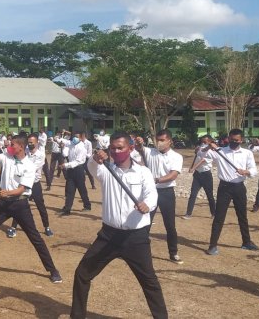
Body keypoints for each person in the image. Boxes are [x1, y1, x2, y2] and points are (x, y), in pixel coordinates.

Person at [71, 131, 168, 319]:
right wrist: (95, 157)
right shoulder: (105, 170)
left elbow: (151, 195)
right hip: (108, 236)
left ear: (130, 148)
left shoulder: (143, 172)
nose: (116, 151)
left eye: (120, 148)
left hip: (135, 238)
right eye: (113, 148)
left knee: (149, 282)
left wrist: (147, 205)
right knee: (82, 274)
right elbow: (91, 167)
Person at [0, 135, 62, 284]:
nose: (9, 146)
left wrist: (7, 192)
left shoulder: (29, 165)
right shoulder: (7, 155)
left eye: (12, 144)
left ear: (21, 146)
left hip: (20, 205)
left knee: (35, 239)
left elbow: (22, 189)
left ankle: (53, 270)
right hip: (3, 205)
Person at [203, 128, 259, 255]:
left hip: (239, 187)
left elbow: (254, 170)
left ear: (241, 140)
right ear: (228, 139)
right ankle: (212, 245)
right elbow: (201, 154)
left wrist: (246, 172)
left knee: (242, 216)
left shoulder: (247, 153)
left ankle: (246, 242)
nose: (234, 142)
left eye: (237, 140)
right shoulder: (220, 151)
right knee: (219, 217)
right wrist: (208, 147)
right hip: (224, 188)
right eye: (232, 140)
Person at [136, 129, 184, 264]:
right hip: (150, 192)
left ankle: (173, 252)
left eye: (162, 140)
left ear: (170, 141)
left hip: (166, 192)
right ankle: (140, 251)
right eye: (158, 140)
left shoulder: (176, 156)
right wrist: (139, 143)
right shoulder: (150, 152)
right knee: (145, 222)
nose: (159, 143)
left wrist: (156, 180)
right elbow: (140, 148)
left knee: (170, 224)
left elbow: (173, 175)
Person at [7, 133, 54, 237]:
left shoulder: (41, 155)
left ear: (37, 143)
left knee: (40, 206)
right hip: (23, 184)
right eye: (28, 143)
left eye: (32, 143)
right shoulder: (25, 152)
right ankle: (13, 227)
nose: (29, 144)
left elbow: (31, 167)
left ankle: (47, 227)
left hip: (35, 185)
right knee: (19, 205)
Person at [59, 132, 91, 216]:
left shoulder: (82, 148)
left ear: (81, 138)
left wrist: (65, 165)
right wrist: (63, 147)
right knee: (70, 190)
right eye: (74, 137)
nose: (74, 138)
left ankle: (87, 205)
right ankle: (67, 208)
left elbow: (78, 161)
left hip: (78, 170)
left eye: (77, 137)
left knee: (82, 190)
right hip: (70, 170)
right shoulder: (71, 144)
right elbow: (65, 153)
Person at [184, 135, 216, 219]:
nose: (203, 143)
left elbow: (202, 160)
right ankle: (188, 213)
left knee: (209, 195)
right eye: (202, 141)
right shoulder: (200, 149)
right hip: (197, 174)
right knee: (193, 194)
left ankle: (214, 213)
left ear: (210, 142)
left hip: (206, 175)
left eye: (205, 142)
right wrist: (191, 167)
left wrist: (193, 168)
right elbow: (197, 157)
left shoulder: (211, 152)